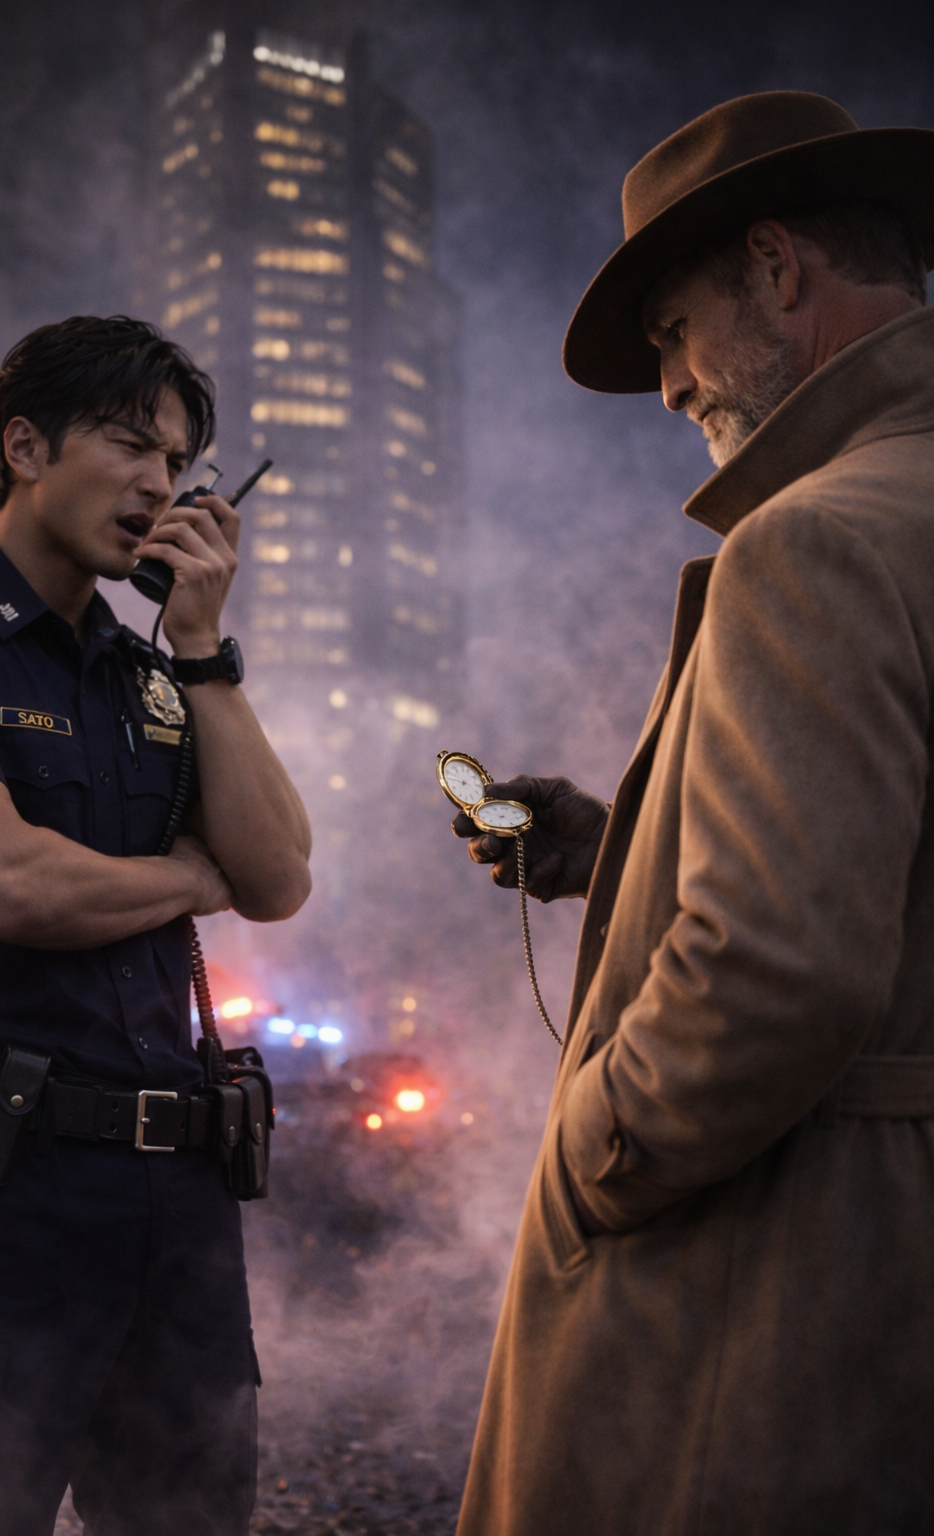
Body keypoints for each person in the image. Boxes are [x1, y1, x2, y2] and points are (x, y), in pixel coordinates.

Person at [452, 93, 934, 1534]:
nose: (669, 388)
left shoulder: (815, 539)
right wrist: (616, 852)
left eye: (673, 332)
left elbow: (779, 973)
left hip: (792, 1284)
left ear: (776, 269)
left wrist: (592, 1153)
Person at [0, 315, 312, 1536]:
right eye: (130, 444)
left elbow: (278, 874)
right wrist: (189, 879)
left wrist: (199, 645)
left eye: (178, 461)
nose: (159, 485)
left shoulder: (154, 674)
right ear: (25, 446)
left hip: (179, 1209)